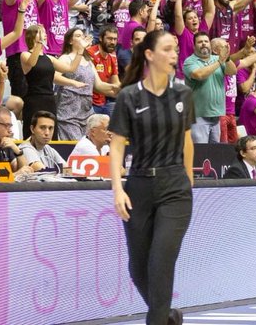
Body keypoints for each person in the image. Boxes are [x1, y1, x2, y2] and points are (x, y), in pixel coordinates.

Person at [109, 30, 194, 325]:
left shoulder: (182, 94)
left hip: (175, 188)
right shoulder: (129, 96)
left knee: (160, 263)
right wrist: (118, 189)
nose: (174, 55)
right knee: (138, 268)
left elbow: (187, 141)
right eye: (168, 49)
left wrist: (188, 180)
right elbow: (117, 145)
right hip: (139, 185)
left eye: (175, 50)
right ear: (149, 55)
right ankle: (168, 316)